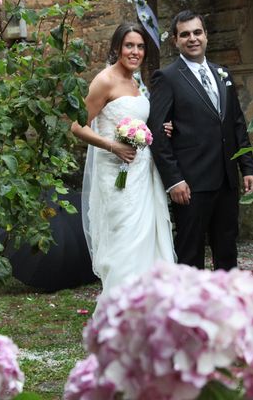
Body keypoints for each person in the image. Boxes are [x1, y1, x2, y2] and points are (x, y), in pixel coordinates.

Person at [71, 23, 175, 299]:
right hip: (115, 173)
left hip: (143, 172)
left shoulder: (136, 82)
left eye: (140, 47)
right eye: (130, 45)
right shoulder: (104, 80)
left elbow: (141, 120)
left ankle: (148, 306)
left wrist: (160, 130)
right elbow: (77, 126)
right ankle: (120, 307)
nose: (135, 52)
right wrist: (112, 145)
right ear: (117, 48)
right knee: (124, 238)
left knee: (147, 237)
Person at [148, 10, 253, 270]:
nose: (192, 38)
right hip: (190, 184)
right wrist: (174, 180)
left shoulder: (223, 74)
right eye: (185, 34)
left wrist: (248, 167)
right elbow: (157, 134)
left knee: (227, 250)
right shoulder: (167, 78)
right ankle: (190, 308)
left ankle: (225, 306)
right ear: (175, 41)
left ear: (206, 36)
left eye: (197, 32)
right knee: (190, 254)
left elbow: (236, 124)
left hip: (226, 181)